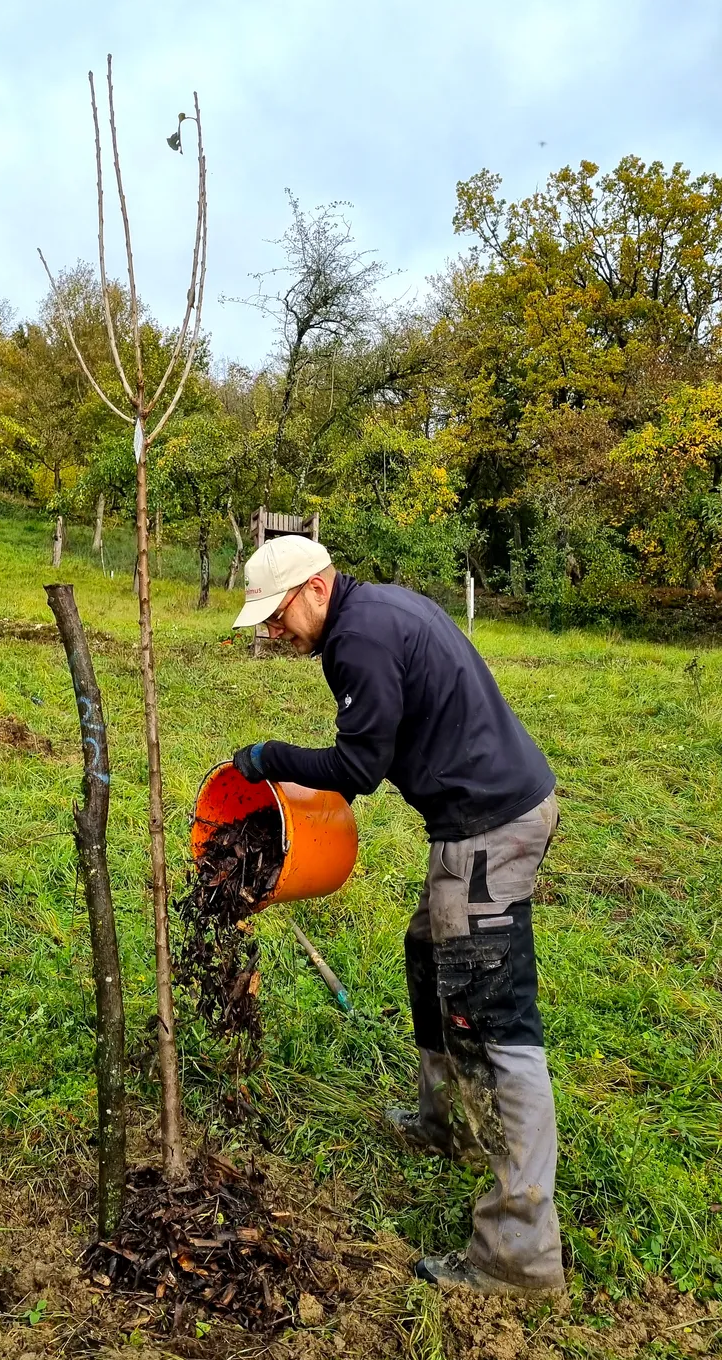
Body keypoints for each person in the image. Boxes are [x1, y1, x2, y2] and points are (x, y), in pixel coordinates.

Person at [230, 535, 564, 1294]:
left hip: (489, 827)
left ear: (317, 588)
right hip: (478, 818)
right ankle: (442, 1123)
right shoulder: (374, 613)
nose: (273, 632)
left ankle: (519, 1251)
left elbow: (358, 769)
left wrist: (269, 756)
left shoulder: (359, 639)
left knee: (491, 1022)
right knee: (428, 952)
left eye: (277, 614)